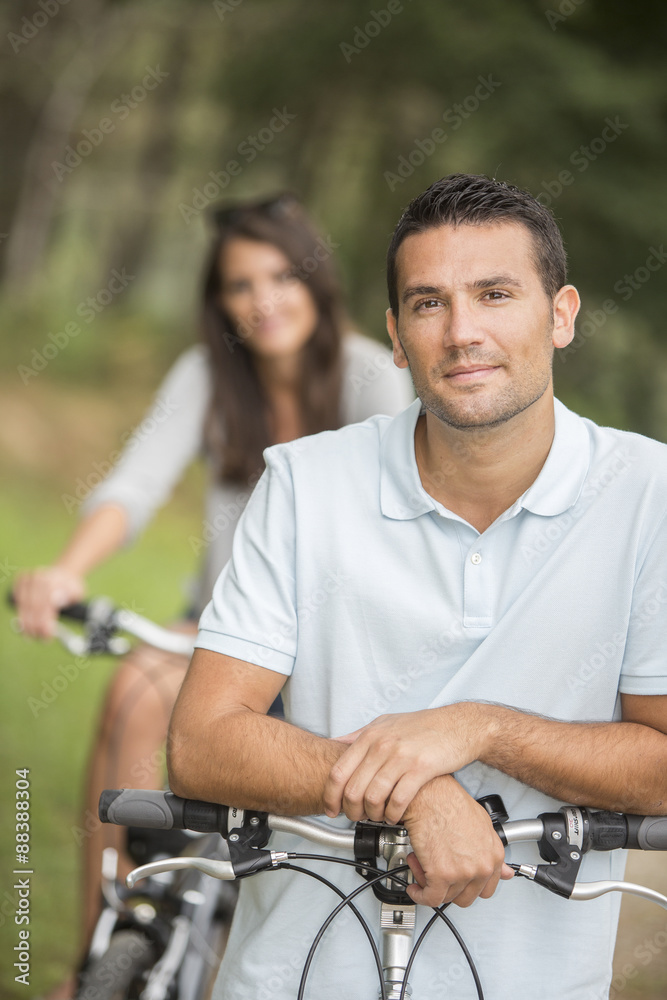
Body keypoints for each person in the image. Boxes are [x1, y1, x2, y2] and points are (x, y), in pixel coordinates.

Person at [168, 174, 667, 1000]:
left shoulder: (649, 492)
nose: (462, 332)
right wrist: (413, 792)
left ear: (561, 314)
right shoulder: (304, 481)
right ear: (397, 338)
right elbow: (201, 742)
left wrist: (479, 729)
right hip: (290, 982)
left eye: (495, 294)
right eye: (429, 304)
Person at [13, 192, 414, 999]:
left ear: (316, 281)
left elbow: (401, 523)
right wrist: (67, 569)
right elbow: (133, 484)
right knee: (136, 689)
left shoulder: (373, 376)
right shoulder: (207, 374)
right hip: (221, 631)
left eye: (280, 277)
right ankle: (108, 939)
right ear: (218, 301)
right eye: (239, 285)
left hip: (338, 641)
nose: (262, 302)